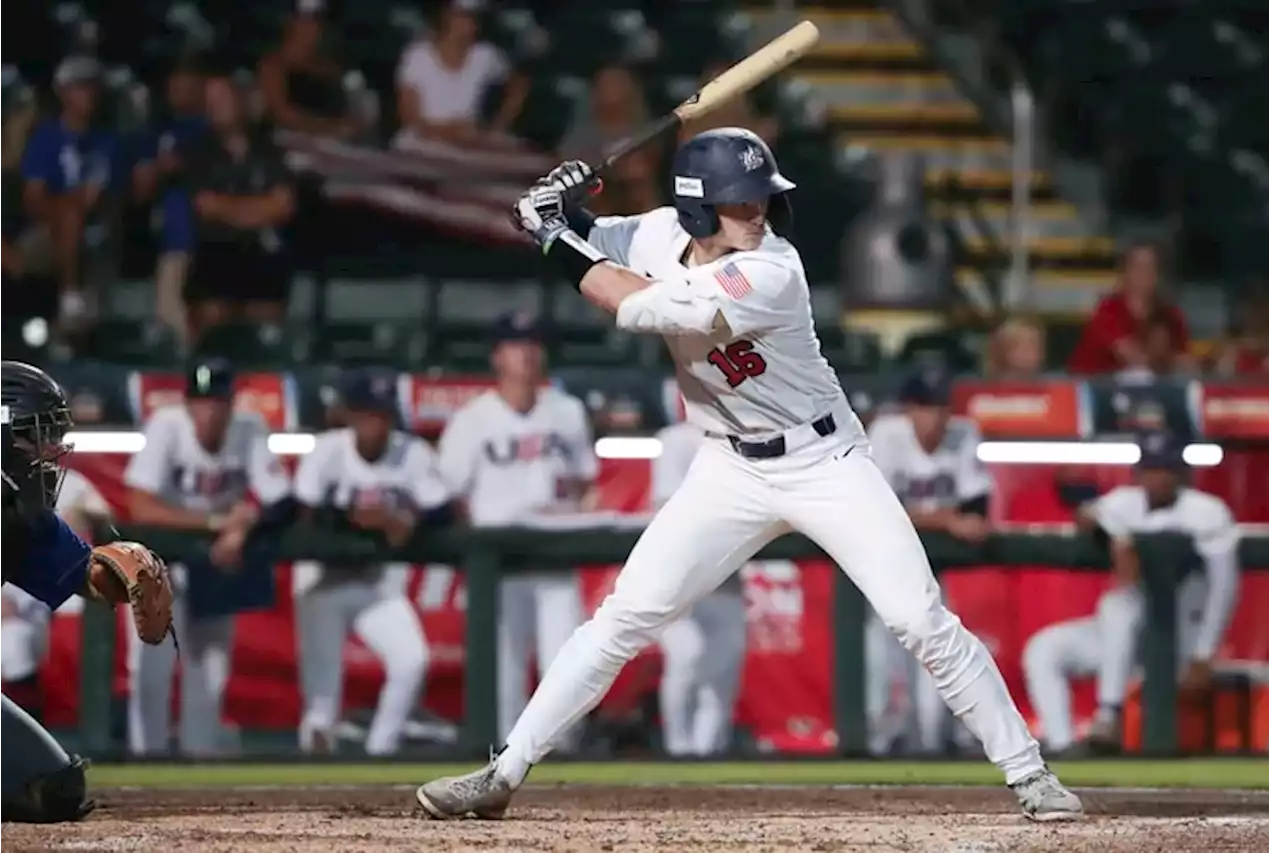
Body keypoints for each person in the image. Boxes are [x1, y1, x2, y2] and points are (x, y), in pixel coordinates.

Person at [415, 128, 1083, 821]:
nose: (757, 211)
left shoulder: (772, 270)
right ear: (699, 210)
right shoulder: (658, 232)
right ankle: (503, 769)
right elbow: (601, 237)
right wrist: (556, 208)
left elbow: (633, 305)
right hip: (727, 465)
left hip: (824, 461)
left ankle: (1028, 772)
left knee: (919, 617)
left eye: (761, 197)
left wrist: (554, 238)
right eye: (739, 201)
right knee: (624, 615)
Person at [0, 360, 170, 823]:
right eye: (37, 433)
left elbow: (85, 575)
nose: (52, 449)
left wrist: (128, 574)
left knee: (53, 789)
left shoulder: (19, 516)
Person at [435, 313, 598, 747]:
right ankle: (501, 764)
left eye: (532, 343)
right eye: (514, 344)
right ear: (496, 356)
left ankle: (567, 763)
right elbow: (448, 491)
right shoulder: (473, 419)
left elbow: (585, 480)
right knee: (502, 675)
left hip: (554, 560)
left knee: (567, 668)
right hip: (499, 567)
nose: (525, 353)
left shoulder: (567, 412)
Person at [1022, 431, 1239, 757]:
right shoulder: (1125, 502)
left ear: (1181, 473)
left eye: (1166, 469)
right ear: (1139, 473)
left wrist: (1204, 652)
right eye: (1151, 469)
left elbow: (1225, 586)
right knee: (1044, 648)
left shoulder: (1207, 511)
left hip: (1179, 638)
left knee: (1118, 605)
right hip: (1121, 642)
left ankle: (1109, 713)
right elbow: (1086, 514)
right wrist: (1118, 536)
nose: (1158, 478)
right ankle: (1065, 749)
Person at [122, 358, 293, 756]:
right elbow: (140, 505)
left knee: (210, 672)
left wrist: (247, 521)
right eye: (201, 401)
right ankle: (146, 761)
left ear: (231, 404)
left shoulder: (249, 429)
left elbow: (283, 501)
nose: (209, 410)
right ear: (188, 404)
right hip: (160, 563)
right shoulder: (167, 425)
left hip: (215, 562)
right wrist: (217, 522)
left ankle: (198, 767)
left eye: (217, 401)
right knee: (152, 667)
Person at [291, 369, 446, 756]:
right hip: (320, 584)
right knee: (322, 703)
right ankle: (306, 791)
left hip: (373, 584)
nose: (374, 424)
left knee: (412, 661)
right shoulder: (327, 450)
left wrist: (410, 521)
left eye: (381, 415)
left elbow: (442, 509)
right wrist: (356, 518)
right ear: (349, 416)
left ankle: (380, 754)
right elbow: (301, 513)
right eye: (365, 414)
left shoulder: (411, 453)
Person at [864, 368, 991, 756]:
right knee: (881, 667)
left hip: (933, 574)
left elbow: (978, 511)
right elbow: (875, 508)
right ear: (909, 410)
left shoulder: (964, 434)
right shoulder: (887, 436)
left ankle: (933, 747)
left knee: (937, 663)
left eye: (941, 407)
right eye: (925, 408)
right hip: (883, 567)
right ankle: (876, 748)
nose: (935, 417)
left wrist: (950, 520)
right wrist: (945, 519)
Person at [652, 397, 745, 757]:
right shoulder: (675, 439)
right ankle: (678, 750)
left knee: (722, 675)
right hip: (681, 582)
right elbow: (672, 506)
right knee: (686, 657)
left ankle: (707, 754)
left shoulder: (746, 437)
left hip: (728, 582)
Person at [183, 73, 296, 340]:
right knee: (212, 329)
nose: (215, 107)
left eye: (222, 99)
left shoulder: (269, 151)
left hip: (263, 259)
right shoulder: (199, 153)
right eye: (210, 101)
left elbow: (284, 206)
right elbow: (206, 206)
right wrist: (259, 210)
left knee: (266, 336)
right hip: (216, 256)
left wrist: (230, 209)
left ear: (240, 99)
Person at [20, 56, 123, 334]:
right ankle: (69, 295)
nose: (88, 95)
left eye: (92, 88)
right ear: (63, 92)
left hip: (100, 226)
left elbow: (118, 193)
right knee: (70, 214)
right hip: (50, 229)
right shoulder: (46, 138)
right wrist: (70, 207)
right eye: (80, 87)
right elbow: (33, 198)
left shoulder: (107, 140)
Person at [0, 467, 111, 719]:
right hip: (13, 597)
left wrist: (79, 515)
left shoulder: (71, 481)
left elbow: (104, 513)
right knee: (11, 644)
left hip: (48, 592)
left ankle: (49, 731)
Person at [131, 58, 209, 345]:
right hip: (169, 232)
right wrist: (158, 171)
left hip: (211, 228)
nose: (180, 92)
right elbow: (140, 190)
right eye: (175, 85)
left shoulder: (210, 129)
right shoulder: (157, 132)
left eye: (188, 85)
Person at [395, 0, 528, 145]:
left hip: (468, 140)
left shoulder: (485, 55)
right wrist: (448, 130)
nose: (470, 24)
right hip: (420, 141)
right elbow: (409, 116)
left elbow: (519, 84)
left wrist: (499, 125)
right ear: (447, 16)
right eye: (463, 16)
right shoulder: (417, 55)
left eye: (474, 18)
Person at [1068, 241, 1194, 375]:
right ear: (1125, 272)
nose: (1145, 273)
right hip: (1094, 389)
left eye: (1152, 267)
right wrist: (1164, 357)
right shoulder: (1108, 310)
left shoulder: (1172, 316)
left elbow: (1186, 363)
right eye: (1138, 267)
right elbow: (1134, 358)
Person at [559, 65, 661, 217]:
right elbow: (567, 161)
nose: (611, 90)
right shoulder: (582, 131)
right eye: (605, 85)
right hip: (597, 194)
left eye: (617, 84)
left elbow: (650, 164)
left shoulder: (648, 129)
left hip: (636, 196)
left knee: (639, 179)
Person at [258, 0, 361, 139]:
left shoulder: (330, 69)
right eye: (305, 20)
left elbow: (348, 112)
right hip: (289, 142)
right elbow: (281, 113)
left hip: (332, 145)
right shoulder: (274, 65)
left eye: (317, 21)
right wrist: (327, 128)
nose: (312, 28)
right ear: (291, 22)